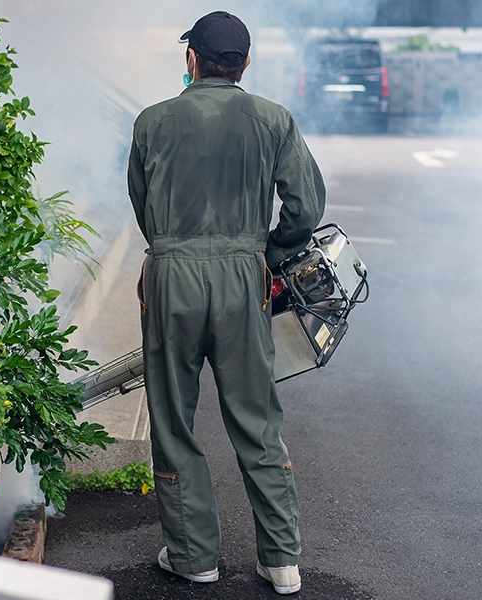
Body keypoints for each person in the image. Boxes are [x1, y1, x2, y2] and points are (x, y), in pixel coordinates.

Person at [127, 11, 326, 596]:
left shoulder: (152, 121)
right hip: (244, 275)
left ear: (192, 59)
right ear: (243, 64)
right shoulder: (273, 120)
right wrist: (268, 249)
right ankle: (282, 560)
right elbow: (304, 208)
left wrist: (171, 248)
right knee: (256, 418)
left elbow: (142, 203)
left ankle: (193, 557)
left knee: (173, 419)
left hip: (172, 274)